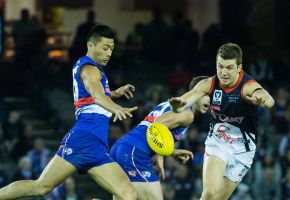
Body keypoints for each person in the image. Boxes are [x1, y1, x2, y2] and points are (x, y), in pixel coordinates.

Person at [0, 25, 138, 200]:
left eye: (111, 48)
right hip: (84, 139)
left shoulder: (91, 69)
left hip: (97, 146)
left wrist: (114, 93)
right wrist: (117, 108)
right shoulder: (90, 69)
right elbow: (96, 95)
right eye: (105, 48)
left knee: (128, 194)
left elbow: (93, 95)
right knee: (41, 187)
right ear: (91, 45)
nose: (109, 53)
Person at [169, 43, 275, 200]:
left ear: (239, 67)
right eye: (220, 66)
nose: (223, 72)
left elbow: (268, 99)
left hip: (243, 150)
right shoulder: (208, 83)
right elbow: (183, 103)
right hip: (218, 142)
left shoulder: (247, 85)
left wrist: (264, 100)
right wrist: (177, 106)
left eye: (229, 67)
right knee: (209, 194)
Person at [110, 76, 210, 200]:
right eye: (207, 94)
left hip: (124, 148)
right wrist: (160, 155)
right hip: (135, 152)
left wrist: (171, 151)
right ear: (196, 92)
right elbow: (158, 125)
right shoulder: (188, 114)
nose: (210, 100)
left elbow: (157, 129)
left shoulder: (172, 104)